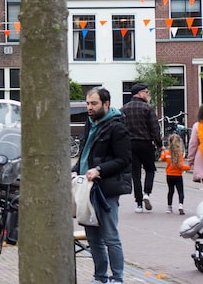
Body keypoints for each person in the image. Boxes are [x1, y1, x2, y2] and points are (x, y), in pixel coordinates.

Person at [72, 87, 132, 284]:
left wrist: (99, 169)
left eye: (94, 104)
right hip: (86, 188)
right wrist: (75, 169)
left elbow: (123, 160)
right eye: (88, 103)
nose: (89, 107)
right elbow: (85, 154)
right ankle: (100, 277)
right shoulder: (90, 124)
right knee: (93, 237)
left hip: (106, 189)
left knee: (110, 236)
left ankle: (117, 278)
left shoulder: (117, 127)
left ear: (106, 104)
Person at [120, 82, 162, 212]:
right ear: (140, 93)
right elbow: (155, 129)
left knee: (135, 174)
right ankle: (146, 193)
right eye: (146, 92)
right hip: (145, 144)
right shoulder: (147, 108)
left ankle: (138, 204)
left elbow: (120, 129)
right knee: (150, 169)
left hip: (130, 145)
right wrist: (159, 144)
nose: (147, 94)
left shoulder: (123, 109)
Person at [160, 133, 190, 215]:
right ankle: (180, 205)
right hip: (178, 176)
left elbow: (162, 159)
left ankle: (169, 207)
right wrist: (189, 167)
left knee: (170, 191)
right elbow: (181, 166)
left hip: (169, 175)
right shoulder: (179, 154)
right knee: (180, 191)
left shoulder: (167, 152)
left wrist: (162, 152)